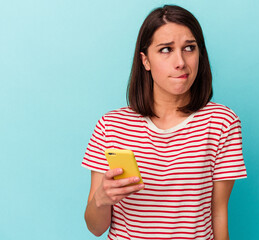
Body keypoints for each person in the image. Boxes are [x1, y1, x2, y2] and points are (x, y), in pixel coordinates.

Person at [82, 5, 247, 240]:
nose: (180, 61)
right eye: (166, 50)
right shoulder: (110, 126)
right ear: (145, 61)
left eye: (189, 48)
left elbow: (218, 214)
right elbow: (95, 228)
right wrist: (102, 199)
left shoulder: (221, 123)